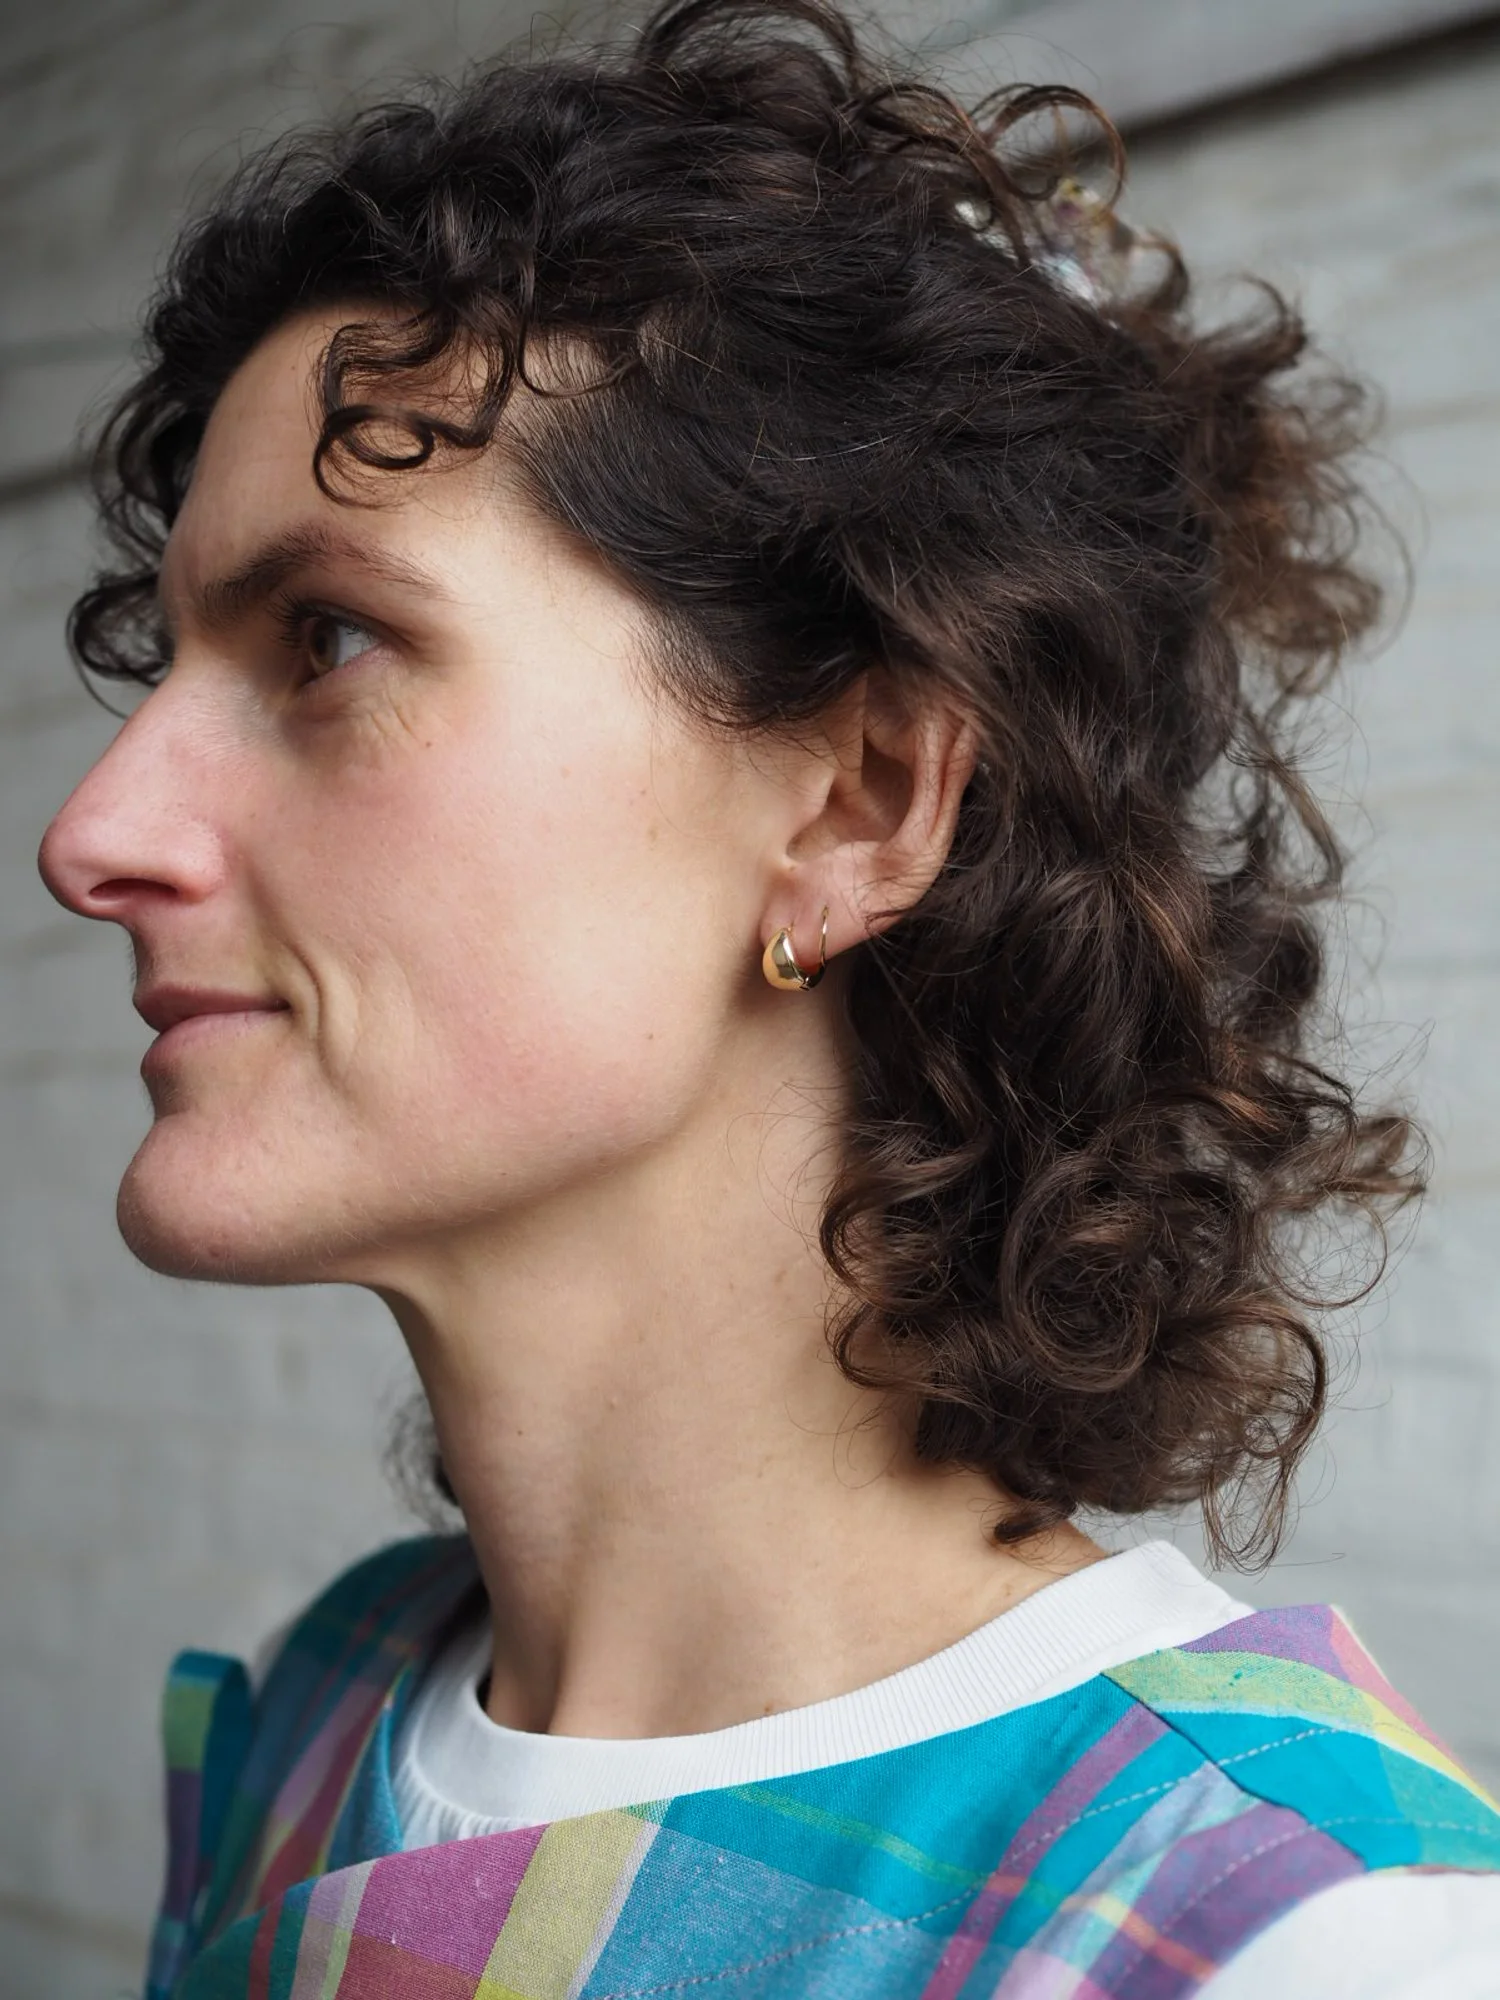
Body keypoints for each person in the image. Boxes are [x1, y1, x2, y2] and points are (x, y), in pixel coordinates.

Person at [36, 1, 1500, 1994]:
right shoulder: (330, 1703)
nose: (95, 833)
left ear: (856, 803)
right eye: (168, 673)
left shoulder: (1288, 1934)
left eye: (330, 639)